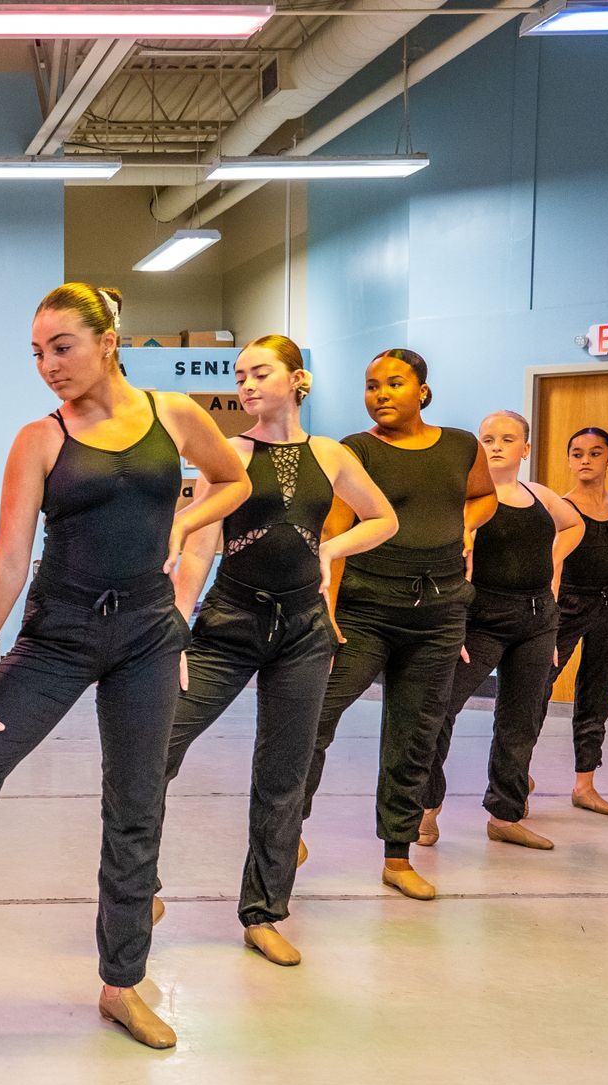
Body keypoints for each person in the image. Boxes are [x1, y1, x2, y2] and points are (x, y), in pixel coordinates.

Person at [0, 283, 249, 1058]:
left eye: (61, 346)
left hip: (149, 637)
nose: (48, 365)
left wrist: (184, 523)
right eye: (37, 352)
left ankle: (123, 982)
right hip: (58, 634)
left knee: (136, 806)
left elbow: (233, 480)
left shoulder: (177, 416)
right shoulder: (41, 439)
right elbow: (7, 560)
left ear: (108, 340)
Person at [164, 335, 397, 966]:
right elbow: (197, 549)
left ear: (298, 380)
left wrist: (330, 549)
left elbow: (383, 519)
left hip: (303, 630)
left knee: (283, 774)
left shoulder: (330, 455)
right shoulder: (229, 456)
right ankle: (140, 883)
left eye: (259, 372)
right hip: (231, 622)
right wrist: (177, 631)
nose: (245, 385)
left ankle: (264, 912)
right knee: (160, 742)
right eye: (239, 376)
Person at [300, 349, 497, 901]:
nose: (380, 394)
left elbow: (484, 495)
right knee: (317, 715)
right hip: (366, 611)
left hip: (438, 615)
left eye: (393, 383)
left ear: (423, 391)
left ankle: (397, 855)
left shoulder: (461, 446)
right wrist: (328, 618)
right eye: (371, 386)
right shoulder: (355, 451)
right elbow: (333, 539)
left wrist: (464, 524)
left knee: (415, 735)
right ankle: (288, 828)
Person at [421, 411, 582, 850]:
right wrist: (452, 626)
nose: (495, 445)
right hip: (480, 620)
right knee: (437, 710)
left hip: (537, 621)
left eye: (507, 439)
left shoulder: (540, 494)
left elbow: (575, 525)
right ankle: (427, 806)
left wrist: (552, 567)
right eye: (488, 437)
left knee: (521, 720)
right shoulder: (467, 498)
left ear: (525, 449)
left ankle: (504, 814)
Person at [538, 426, 608, 817]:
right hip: (567, 603)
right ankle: (516, 772)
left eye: (595, 452)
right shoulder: (560, 508)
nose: (586, 460)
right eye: (578, 453)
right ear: (569, 460)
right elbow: (548, 558)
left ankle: (584, 784)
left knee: (598, 690)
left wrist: (607, 556)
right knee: (538, 684)